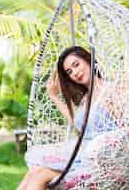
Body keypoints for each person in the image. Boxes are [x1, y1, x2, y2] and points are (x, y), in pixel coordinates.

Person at [17, 46, 119, 190]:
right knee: (34, 172)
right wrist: (53, 96)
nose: (75, 73)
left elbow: (124, 126)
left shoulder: (111, 90)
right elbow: (79, 124)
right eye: (69, 72)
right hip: (82, 155)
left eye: (76, 64)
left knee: (40, 174)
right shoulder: (86, 98)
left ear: (88, 60)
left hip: (100, 159)